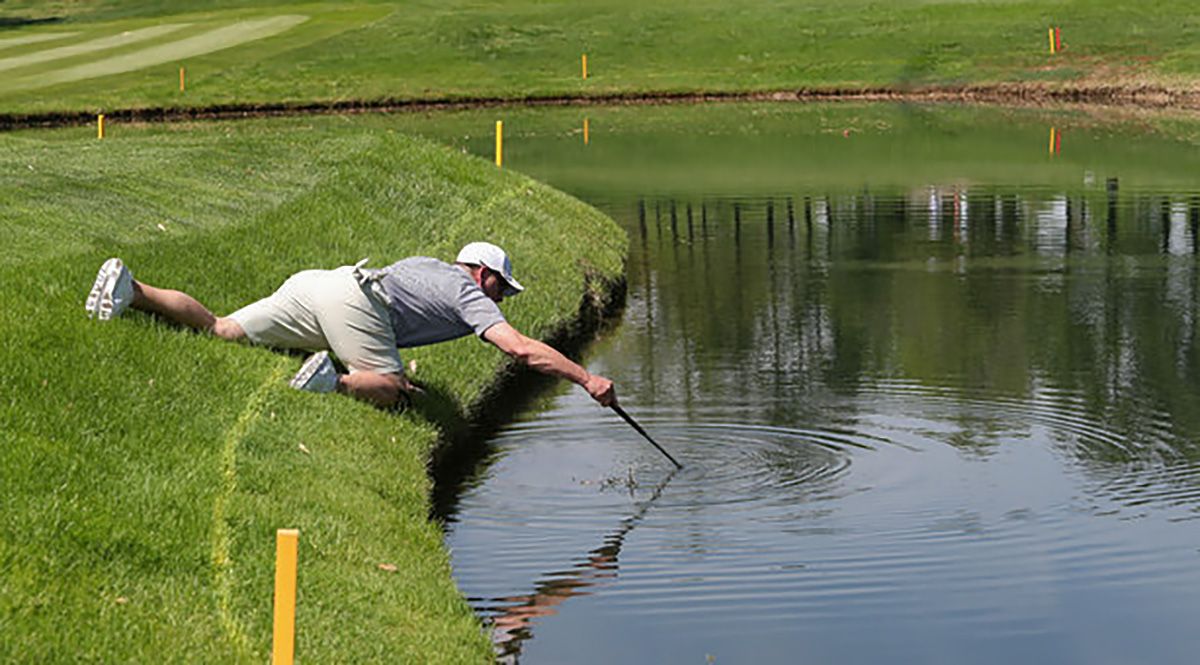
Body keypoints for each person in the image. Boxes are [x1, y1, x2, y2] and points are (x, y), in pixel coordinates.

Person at [84, 242, 616, 409]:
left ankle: (132, 289)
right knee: (393, 391)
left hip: (319, 284)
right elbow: (520, 350)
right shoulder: (468, 293)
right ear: (482, 274)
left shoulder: (428, 267)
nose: (502, 296)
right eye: (501, 285)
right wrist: (588, 380)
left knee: (223, 330)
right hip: (356, 304)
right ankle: (329, 380)